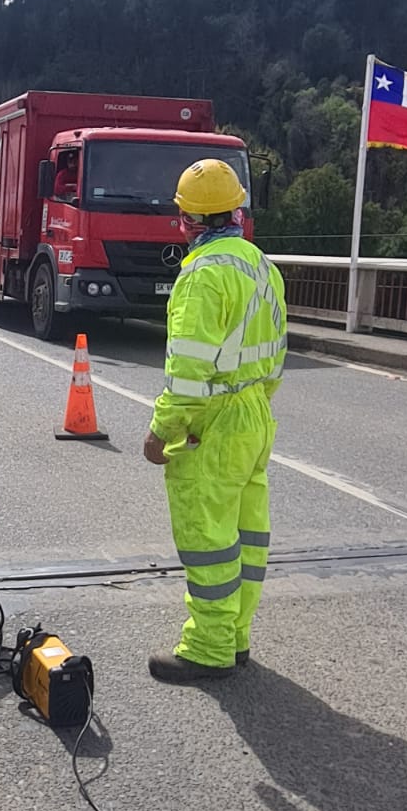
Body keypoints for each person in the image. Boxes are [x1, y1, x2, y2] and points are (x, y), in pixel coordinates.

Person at [143, 159, 287, 685]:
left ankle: (208, 648)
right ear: (237, 211)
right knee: (246, 538)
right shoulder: (261, 265)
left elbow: (187, 371)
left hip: (217, 419)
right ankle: (236, 637)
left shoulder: (203, 275)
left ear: (186, 219)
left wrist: (162, 431)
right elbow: (276, 354)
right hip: (255, 413)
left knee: (207, 536)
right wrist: (254, 404)